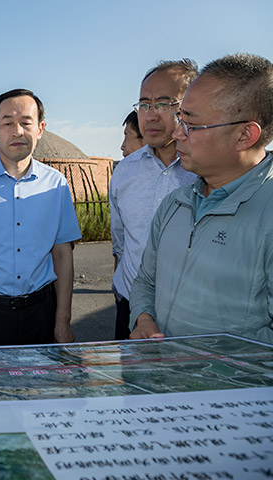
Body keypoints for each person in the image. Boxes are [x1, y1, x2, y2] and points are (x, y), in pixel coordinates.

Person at [129, 53, 273, 344]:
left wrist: (210, 362)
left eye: (191, 125)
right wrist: (144, 318)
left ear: (245, 135)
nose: (177, 133)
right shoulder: (175, 203)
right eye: (180, 120)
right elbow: (146, 280)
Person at [0, 89, 81, 346]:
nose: (17, 131)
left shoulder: (55, 184)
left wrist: (62, 320)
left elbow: (62, 254)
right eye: (8, 123)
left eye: (26, 122)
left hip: (40, 312)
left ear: (40, 129)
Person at [109, 60, 198, 340]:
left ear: (190, 106)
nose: (150, 115)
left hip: (190, 313)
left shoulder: (207, 172)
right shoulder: (124, 171)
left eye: (163, 104)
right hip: (131, 309)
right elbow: (121, 243)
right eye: (144, 105)